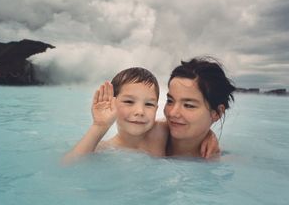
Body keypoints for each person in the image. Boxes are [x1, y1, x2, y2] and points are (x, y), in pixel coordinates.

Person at [62, 67, 218, 165]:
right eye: (129, 101)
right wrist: (99, 126)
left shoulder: (159, 132)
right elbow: (70, 165)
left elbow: (187, 125)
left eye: (149, 104)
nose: (140, 111)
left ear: (157, 108)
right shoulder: (106, 148)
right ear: (112, 104)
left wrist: (209, 134)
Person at [164, 56, 236, 157]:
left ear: (217, 113)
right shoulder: (147, 140)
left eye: (188, 105)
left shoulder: (221, 162)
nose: (172, 113)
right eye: (170, 101)